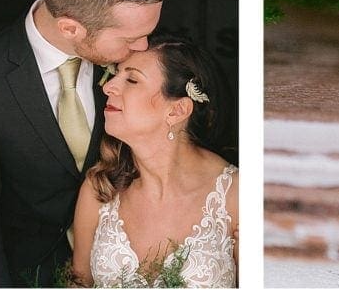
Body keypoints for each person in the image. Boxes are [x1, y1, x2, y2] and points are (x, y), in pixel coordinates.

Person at [0, 0, 168, 287]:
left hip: (136, 267)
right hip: (29, 276)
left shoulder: (140, 47)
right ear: (71, 28)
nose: (145, 46)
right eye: (130, 40)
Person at [71, 35, 238, 288]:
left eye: (132, 79)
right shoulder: (100, 189)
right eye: (115, 75)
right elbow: (77, 287)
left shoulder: (236, 196)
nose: (107, 87)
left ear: (177, 110)